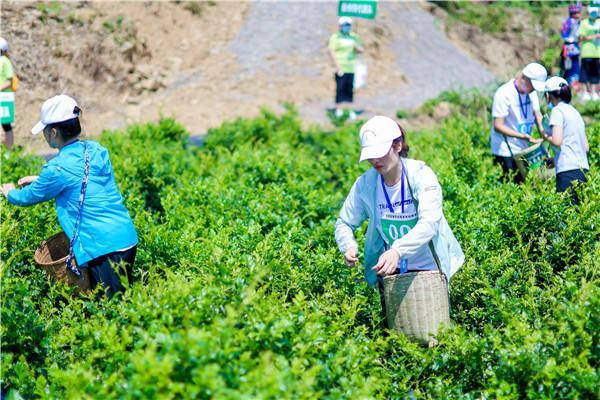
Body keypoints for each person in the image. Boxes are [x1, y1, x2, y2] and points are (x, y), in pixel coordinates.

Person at [0, 94, 138, 299]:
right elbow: (87, 179)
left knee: (112, 310)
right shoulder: (96, 150)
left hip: (103, 248)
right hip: (125, 237)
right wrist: (42, 179)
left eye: (45, 131)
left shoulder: (57, 168)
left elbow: (28, 197)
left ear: (54, 132)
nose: (44, 135)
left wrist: (9, 192)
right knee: (121, 300)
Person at [334, 116, 464, 322]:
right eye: (370, 155)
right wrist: (348, 246)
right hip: (392, 272)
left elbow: (430, 222)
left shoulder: (421, 175)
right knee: (399, 337)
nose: (375, 160)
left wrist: (398, 250)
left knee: (434, 332)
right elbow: (344, 223)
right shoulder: (366, 184)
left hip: (430, 269)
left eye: (380, 153)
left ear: (398, 145)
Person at [490, 63, 547, 183]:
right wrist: (522, 136)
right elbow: (498, 125)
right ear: (524, 78)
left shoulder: (532, 94)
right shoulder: (504, 93)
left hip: (523, 149)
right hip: (505, 150)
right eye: (533, 86)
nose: (533, 90)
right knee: (510, 184)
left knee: (527, 184)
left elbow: (537, 116)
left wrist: (545, 134)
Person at [541, 77, 589, 203]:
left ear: (548, 95)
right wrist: (556, 159)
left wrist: (544, 135)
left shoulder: (557, 111)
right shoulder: (575, 112)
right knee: (579, 215)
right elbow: (586, 147)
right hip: (583, 170)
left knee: (565, 214)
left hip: (567, 172)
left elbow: (557, 141)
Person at [328, 16, 363, 120]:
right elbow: (332, 51)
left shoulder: (354, 37)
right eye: (344, 25)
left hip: (351, 67)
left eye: (348, 25)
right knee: (340, 88)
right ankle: (339, 109)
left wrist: (357, 48)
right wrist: (337, 65)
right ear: (340, 26)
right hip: (340, 67)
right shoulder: (336, 37)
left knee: (349, 89)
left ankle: (350, 110)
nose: (346, 27)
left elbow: (361, 49)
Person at [578, 5, 600, 101]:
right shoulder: (584, 23)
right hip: (586, 52)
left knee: (595, 73)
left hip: (597, 53)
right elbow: (580, 37)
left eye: (595, 12)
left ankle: (594, 92)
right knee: (584, 73)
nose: (594, 14)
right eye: (592, 12)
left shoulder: (599, 22)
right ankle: (584, 92)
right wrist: (593, 36)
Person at [560, 3, 582, 86]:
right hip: (569, 46)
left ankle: (574, 83)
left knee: (575, 65)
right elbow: (564, 34)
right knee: (568, 66)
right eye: (577, 13)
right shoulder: (568, 22)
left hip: (575, 46)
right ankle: (567, 83)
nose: (578, 14)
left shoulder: (578, 22)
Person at [0, 37, 15, 149]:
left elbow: (9, 82)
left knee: (6, 124)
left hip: (5, 97)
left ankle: (8, 151)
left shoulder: (5, 61)